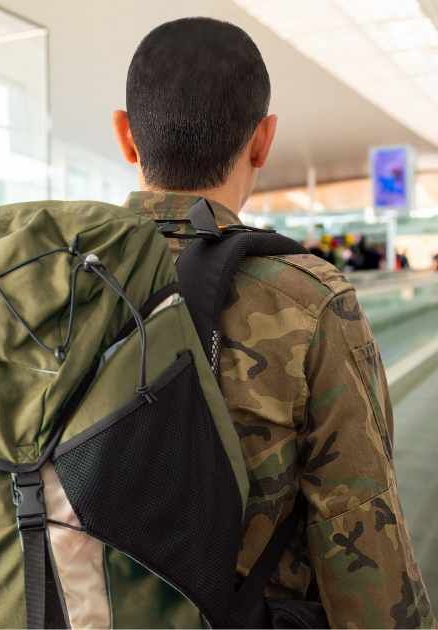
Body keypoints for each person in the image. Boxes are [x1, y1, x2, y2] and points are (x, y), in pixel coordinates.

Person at [112, 17, 431, 627]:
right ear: (264, 140)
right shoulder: (306, 299)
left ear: (126, 136)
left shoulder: (43, 286)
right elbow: (359, 531)